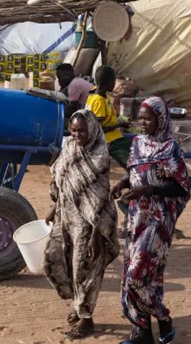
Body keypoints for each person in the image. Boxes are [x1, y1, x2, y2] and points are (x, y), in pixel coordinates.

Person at [111, 97, 190, 344]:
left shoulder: (171, 148)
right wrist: (123, 183)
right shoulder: (136, 143)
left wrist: (149, 191)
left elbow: (182, 189)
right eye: (141, 118)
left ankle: (163, 318)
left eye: (148, 118)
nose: (142, 123)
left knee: (137, 275)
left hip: (159, 220)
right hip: (136, 218)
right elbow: (134, 172)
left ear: (161, 119)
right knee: (146, 277)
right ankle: (144, 332)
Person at [44, 111, 120, 340]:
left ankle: (87, 318)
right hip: (65, 216)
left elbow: (100, 198)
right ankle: (78, 306)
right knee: (56, 260)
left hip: (88, 224)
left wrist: (97, 235)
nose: (77, 135)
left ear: (93, 130)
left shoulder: (99, 156)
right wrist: (53, 207)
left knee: (84, 269)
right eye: (74, 130)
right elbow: (61, 177)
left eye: (82, 130)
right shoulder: (68, 146)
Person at [86, 66, 129, 168]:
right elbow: (98, 129)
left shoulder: (97, 94)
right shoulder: (99, 101)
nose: (115, 84)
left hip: (113, 136)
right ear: (109, 82)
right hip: (107, 140)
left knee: (133, 143)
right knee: (130, 158)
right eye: (114, 81)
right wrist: (120, 124)